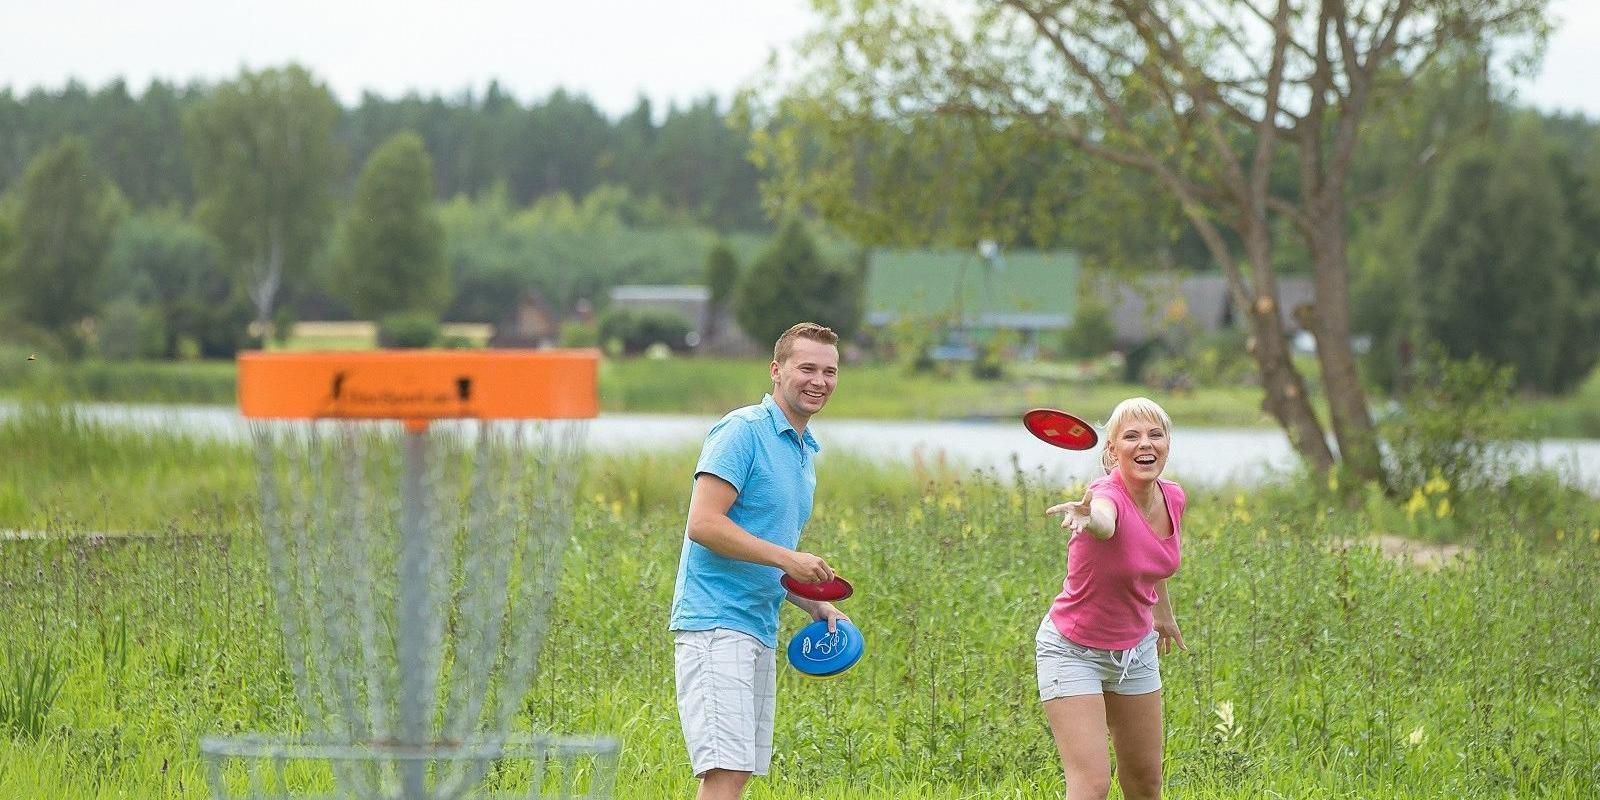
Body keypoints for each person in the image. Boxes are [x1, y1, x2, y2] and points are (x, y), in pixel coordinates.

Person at [668, 321, 850, 800]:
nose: (819, 381)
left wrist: (813, 604)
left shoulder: (803, 452)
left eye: (829, 371)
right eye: (806, 367)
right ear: (776, 370)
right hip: (715, 622)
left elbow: (765, 552)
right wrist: (790, 558)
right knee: (724, 772)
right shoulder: (742, 431)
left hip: (756, 625)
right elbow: (704, 524)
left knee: (740, 772)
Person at [1039, 397, 1187, 800]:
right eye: (1131, 436)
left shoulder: (1172, 497)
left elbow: (1150, 562)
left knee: (1145, 784)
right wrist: (1090, 519)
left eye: (1156, 435)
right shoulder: (1105, 495)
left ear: (1168, 445)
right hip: (1072, 650)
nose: (1146, 444)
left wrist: (1163, 615)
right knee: (1092, 785)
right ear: (1112, 450)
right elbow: (1107, 522)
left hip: (1135, 651)